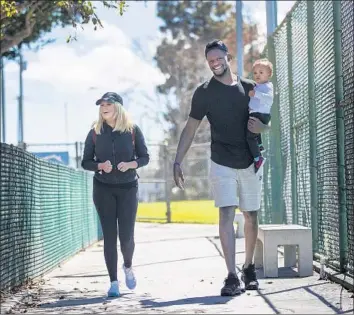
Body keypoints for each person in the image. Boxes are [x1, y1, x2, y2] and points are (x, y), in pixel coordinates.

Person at [173, 40, 269, 296]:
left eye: (218, 58)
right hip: (221, 161)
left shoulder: (250, 87)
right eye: (210, 60)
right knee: (225, 213)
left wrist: (263, 128)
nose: (215, 63)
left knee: (251, 216)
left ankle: (248, 267)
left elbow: (265, 120)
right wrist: (177, 160)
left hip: (250, 160)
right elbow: (191, 128)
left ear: (228, 57)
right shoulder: (204, 92)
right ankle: (231, 275)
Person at [81, 92, 149, 297]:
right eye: (101, 104)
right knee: (110, 236)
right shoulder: (94, 131)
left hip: (128, 188)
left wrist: (130, 164)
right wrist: (99, 166)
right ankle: (113, 282)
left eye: (108, 104)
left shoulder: (132, 130)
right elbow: (85, 161)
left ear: (118, 107)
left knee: (126, 236)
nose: (103, 107)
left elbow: (145, 157)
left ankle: (128, 266)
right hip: (103, 188)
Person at [247, 58, 274, 173]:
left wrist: (255, 94)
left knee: (250, 136)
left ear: (269, 74)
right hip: (257, 113)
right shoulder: (258, 85)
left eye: (261, 72)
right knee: (255, 133)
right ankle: (260, 145)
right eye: (255, 73)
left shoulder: (267, 86)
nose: (257, 75)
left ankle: (258, 158)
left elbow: (268, 99)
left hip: (261, 115)